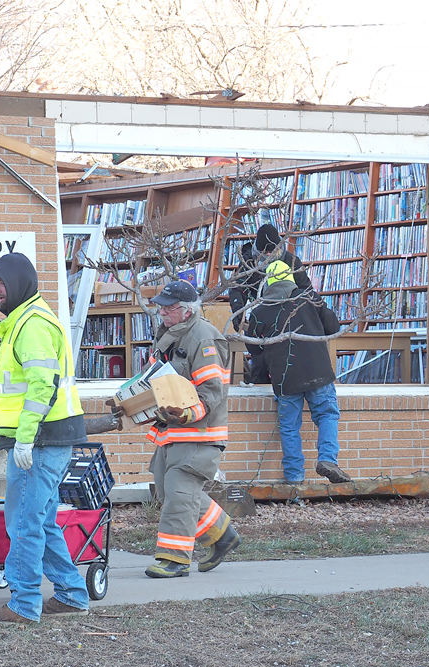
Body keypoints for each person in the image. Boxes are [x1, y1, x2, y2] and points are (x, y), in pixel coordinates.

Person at [0, 252, 90, 623]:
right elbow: (27, 389)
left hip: (39, 443)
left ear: (20, 282)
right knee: (40, 520)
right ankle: (71, 594)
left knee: (23, 522)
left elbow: (43, 386)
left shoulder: (31, 324)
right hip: (46, 438)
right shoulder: (26, 321)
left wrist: (23, 439)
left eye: (1, 283)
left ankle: (24, 604)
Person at [128, 279, 240, 579]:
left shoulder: (204, 339)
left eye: (169, 308)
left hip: (199, 435)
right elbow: (154, 380)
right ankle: (223, 535)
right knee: (170, 490)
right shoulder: (168, 335)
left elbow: (212, 391)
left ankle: (174, 560)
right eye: (161, 307)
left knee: (180, 492)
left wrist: (189, 414)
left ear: (188, 311)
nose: (162, 312)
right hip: (173, 432)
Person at [246, 260, 351, 485]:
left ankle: (294, 477)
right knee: (327, 415)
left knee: (289, 426)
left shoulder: (259, 311)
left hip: (285, 378)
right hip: (318, 372)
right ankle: (327, 460)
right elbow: (333, 327)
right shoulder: (309, 299)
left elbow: (254, 349)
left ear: (267, 281)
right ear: (291, 278)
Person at [227, 224, 312, 330]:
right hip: (259, 313)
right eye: (265, 252)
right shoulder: (248, 262)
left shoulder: (292, 261)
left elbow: (306, 290)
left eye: (272, 252)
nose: (268, 255)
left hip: (288, 314)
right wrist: (238, 312)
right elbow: (237, 288)